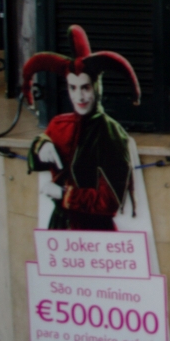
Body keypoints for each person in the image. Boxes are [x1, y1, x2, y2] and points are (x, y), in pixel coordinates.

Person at [24, 25, 140, 231]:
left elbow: (110, 201)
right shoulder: (59, 124)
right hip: (59, 228)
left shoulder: (111, 134)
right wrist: (41, 146)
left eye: (85, 87)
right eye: (73, 88)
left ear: (96, 87)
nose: (79, 97)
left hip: (94, 233)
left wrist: (65, 194)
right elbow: (36, 162)